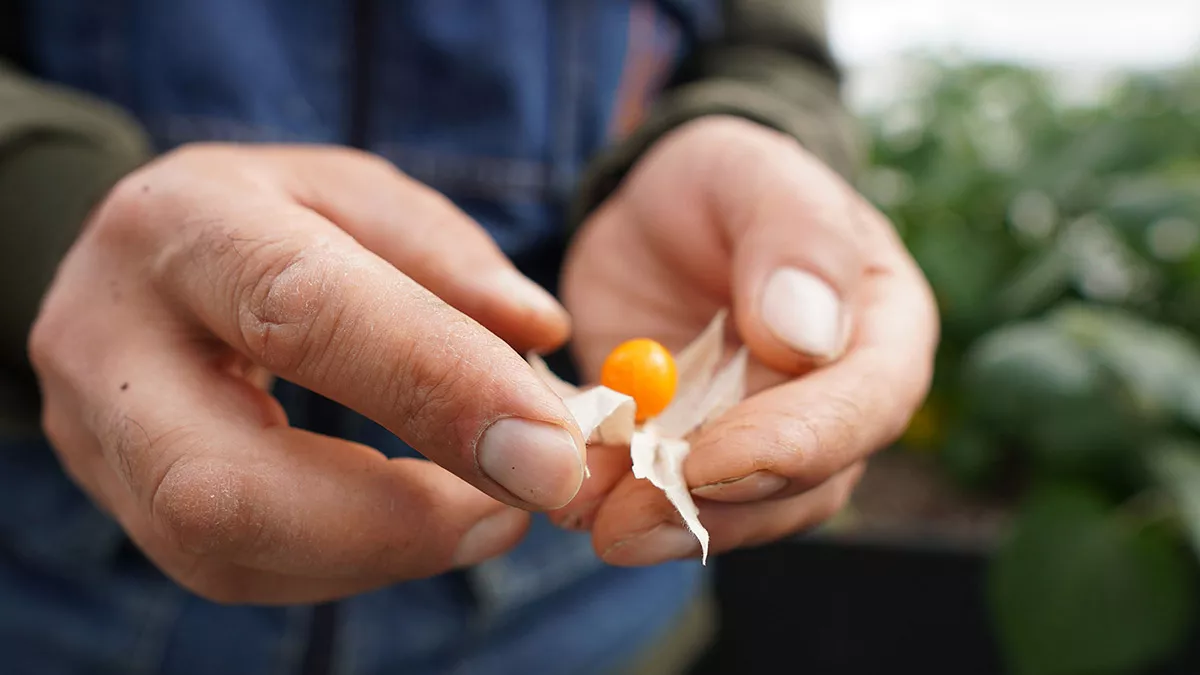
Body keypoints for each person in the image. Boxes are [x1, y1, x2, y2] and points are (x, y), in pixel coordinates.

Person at [0, 1, 938, 673]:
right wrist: (45, 215)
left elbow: (771, 46)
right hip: (59, 594)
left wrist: (759, 139)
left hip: (586, 619)